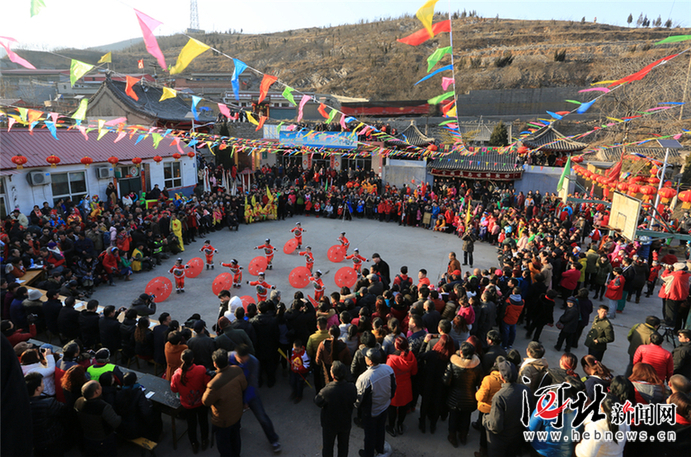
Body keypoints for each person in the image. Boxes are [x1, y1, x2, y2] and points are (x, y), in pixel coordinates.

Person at [229, 344, 282, 453]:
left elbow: (252, 384)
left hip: (250, 392)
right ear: (236, 356)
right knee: (234, 417)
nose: (243, 361)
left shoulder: (253, 362)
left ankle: (273, 439)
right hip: (235, 393)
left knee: (262, 417)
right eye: (241, 359)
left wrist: (246, 401)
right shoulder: (229, 358)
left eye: (245, 358)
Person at [202, 349, 247, 457]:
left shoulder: (214, 384)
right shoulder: (237, 370)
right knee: (236, 439)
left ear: (215, 364)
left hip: (223, 421)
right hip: (237, 414)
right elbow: (244, 386)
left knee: (224, 446)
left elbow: (205, 402)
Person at [483, 358, 531, 457]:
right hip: (517, 437)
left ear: (501, 376)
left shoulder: (499, 396)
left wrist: (486, 419)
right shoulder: (525, 390)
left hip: (501, 441)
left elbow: (495, 427)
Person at [356, 346, 396, 457]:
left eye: (366, 356)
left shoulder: (364, 378)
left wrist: (357, 407)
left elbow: (359, 398)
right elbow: (394, 386)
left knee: (369, 434)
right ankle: (379, 448)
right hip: (384, 406)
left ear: (370, 361)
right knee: (380, 429)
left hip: (371, 411)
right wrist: (388, 399)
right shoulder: (388, 369)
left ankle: (368, 453)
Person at [171, 349, 212, 453]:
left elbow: (174, 389)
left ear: (181, 360)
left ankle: (194, 443)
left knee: (191, 424)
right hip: (201, 402)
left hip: (187, 404)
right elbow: (208, 383)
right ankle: (204, 440)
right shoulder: (201, 369)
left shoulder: (177, 374)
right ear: (193, 359)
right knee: (203, 422)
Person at [314, 361, 357, 457]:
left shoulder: (327, 390)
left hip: (330, 425)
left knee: (328, 447)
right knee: (343, 446)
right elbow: (354, 399)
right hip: (345, 422)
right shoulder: (351, 387)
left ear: (333, 375)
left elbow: (317, 401)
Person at [444, 342, 483, 448]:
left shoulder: (453, 363)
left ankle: (452, 437)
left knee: (453, 417)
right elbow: (480, 382)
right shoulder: (477, 365)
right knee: (466, 417)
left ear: (461, 352)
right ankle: (463, 436)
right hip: (470, 396)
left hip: (454, 396)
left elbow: (446, 381)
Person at [74, 380, 122, 457]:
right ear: (96, 391)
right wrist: (120, 417)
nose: (101, 388)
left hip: (87, 437)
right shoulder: (103, 407)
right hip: (103, 439)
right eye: (100, 387)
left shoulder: (78, 402)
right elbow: (115, 422)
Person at [25, 372, 66, 457]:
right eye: (42, 382)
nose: (44, 384)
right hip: (51, 441)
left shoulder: (21, 405)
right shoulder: (49, 403)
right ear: (38, 388)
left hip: (34, 443)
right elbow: (63, 411)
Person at [385, 336, 417, 438]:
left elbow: (387, 375)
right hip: (406, 385)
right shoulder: (411, 356)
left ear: (396, 345)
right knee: (403, 407)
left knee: (392, 408)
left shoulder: (392, 359)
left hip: (394, 387)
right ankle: (400, 425)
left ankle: (391, 427)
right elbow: (414, 372)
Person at [114, 372, 161, 441]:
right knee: (156, 412)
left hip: (121, 426)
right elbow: (146, 412)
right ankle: (155, 436)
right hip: (135, 429)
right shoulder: (138, 394)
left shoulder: (118, 393)